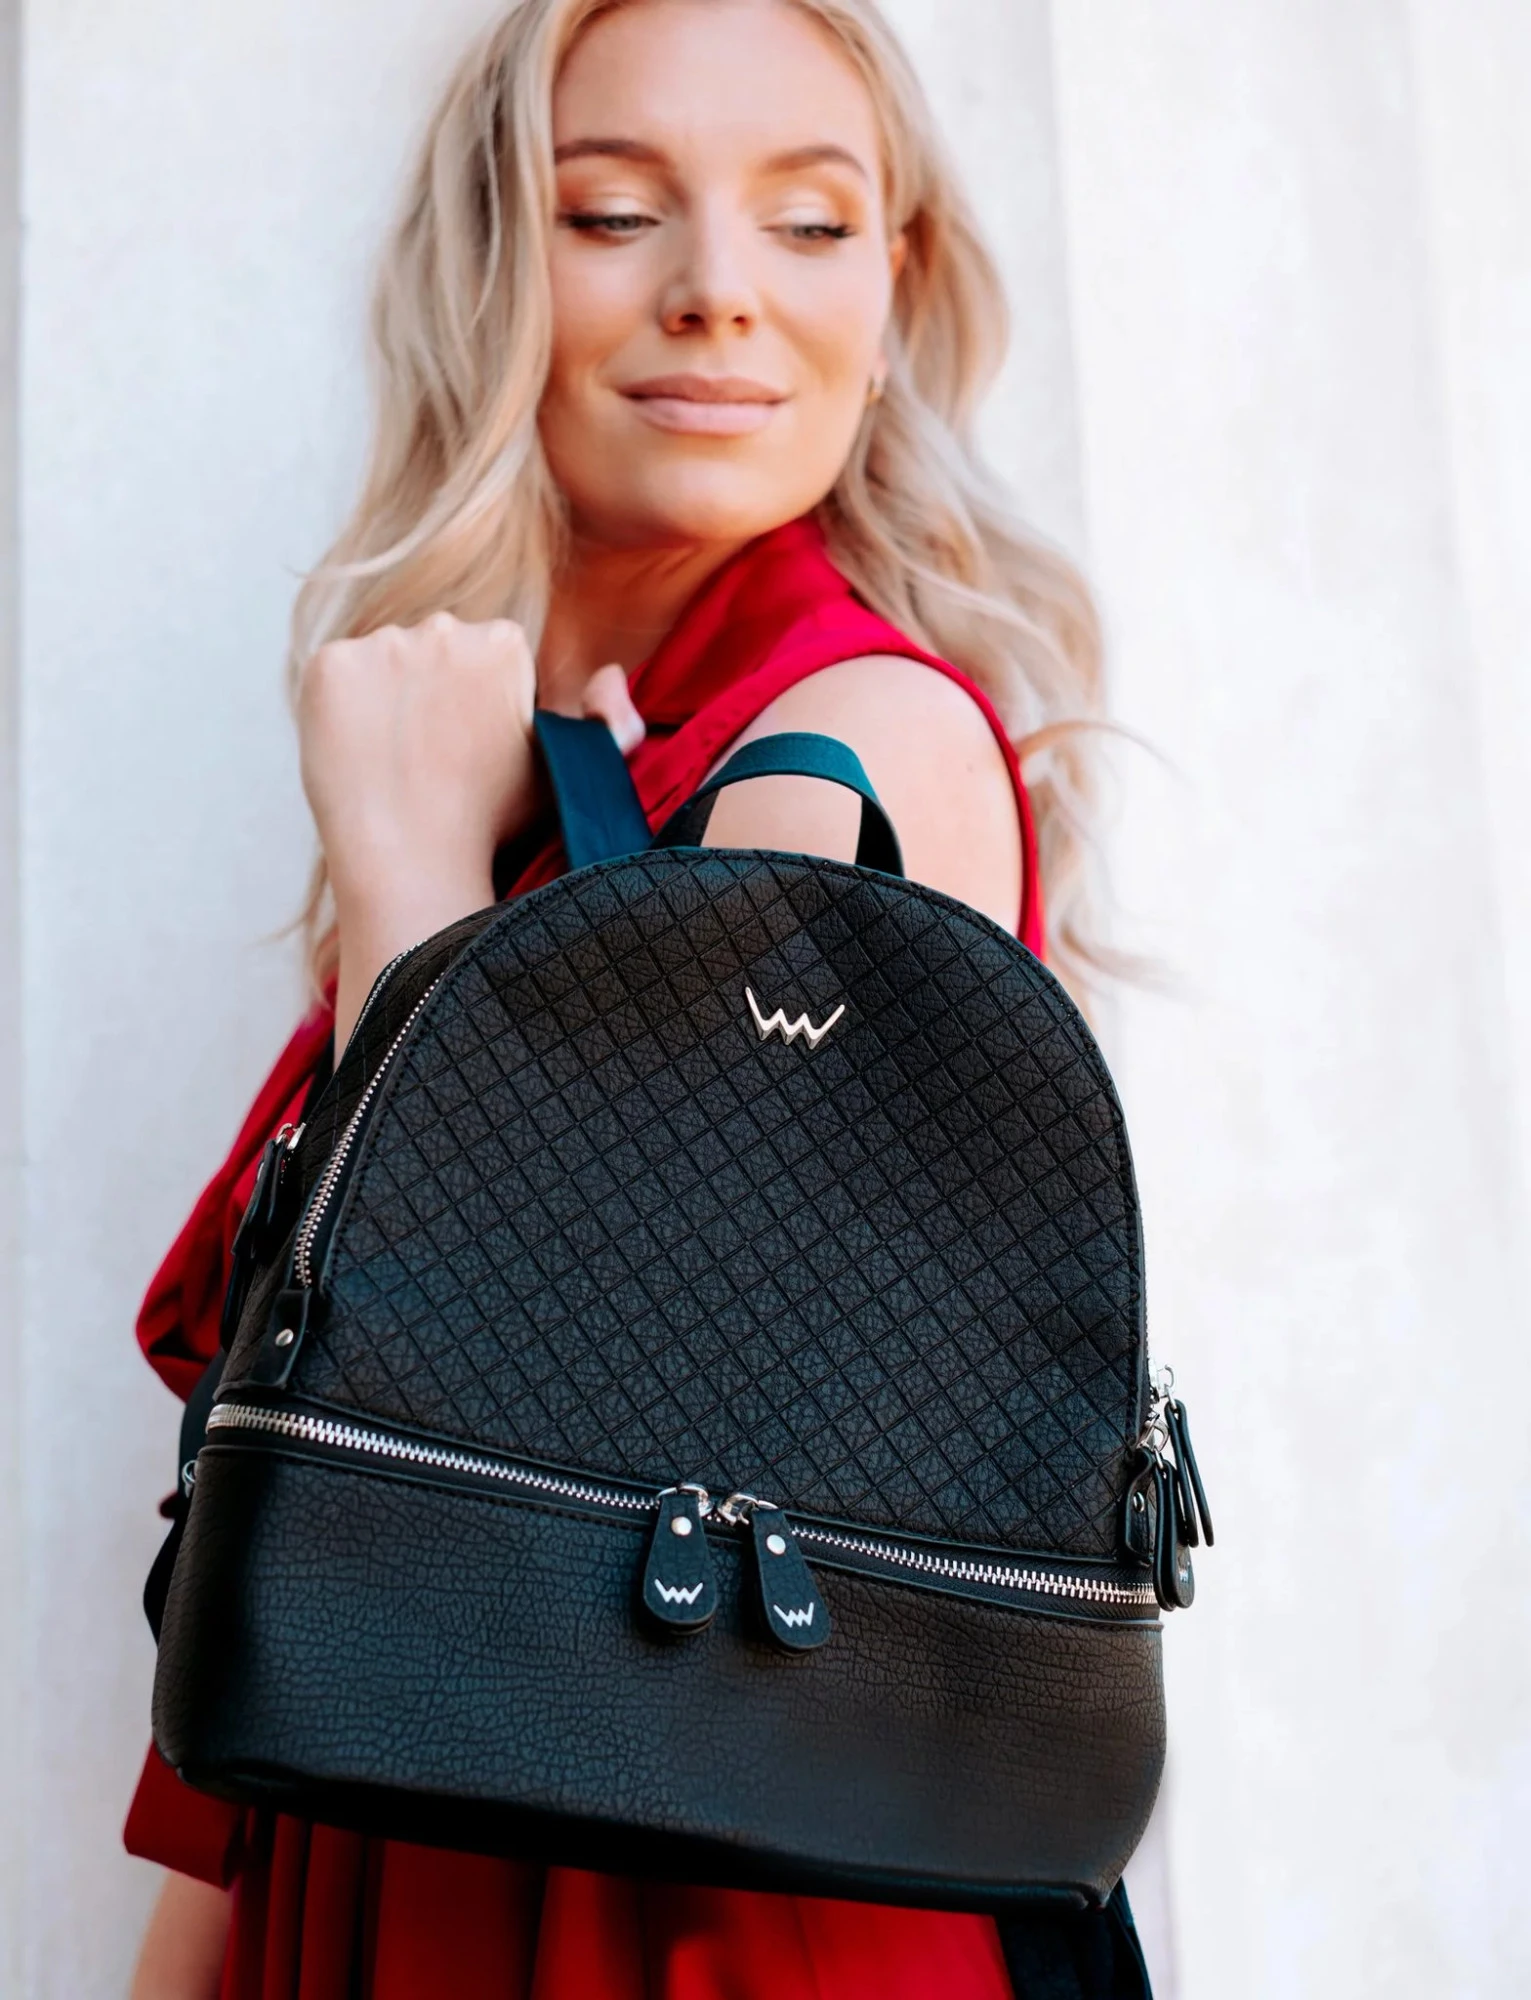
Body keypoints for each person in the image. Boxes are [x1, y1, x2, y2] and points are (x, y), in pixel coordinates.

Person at [126, 2, 1142, 1994]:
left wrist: (411, 887)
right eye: (613, 212)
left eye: (810, 223)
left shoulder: (846, 743)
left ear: (891, 291)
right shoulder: (531, 771)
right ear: (497, 266)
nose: (718, 293)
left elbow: (622, 1427)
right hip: (396, 1855)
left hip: (694, 1913)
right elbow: (300, 1550)